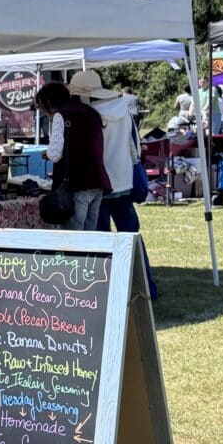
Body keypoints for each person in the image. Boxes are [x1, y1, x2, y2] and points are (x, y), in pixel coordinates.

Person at [93, 87, 158, 299]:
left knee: (102, 238)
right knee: (132, 238)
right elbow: (135, 146)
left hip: (101, 182)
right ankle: (146, 286)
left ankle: (106, 290)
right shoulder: (124, 111)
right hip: (123, 181)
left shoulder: (91, 114)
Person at [36, 74, 111, 231]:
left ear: (48, 102)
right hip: (98, 180)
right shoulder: (91, 112)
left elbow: (55, 153)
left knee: (73, 235)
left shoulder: (62, 115)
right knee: (90, 233)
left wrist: (47, 154)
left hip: (76, 183)